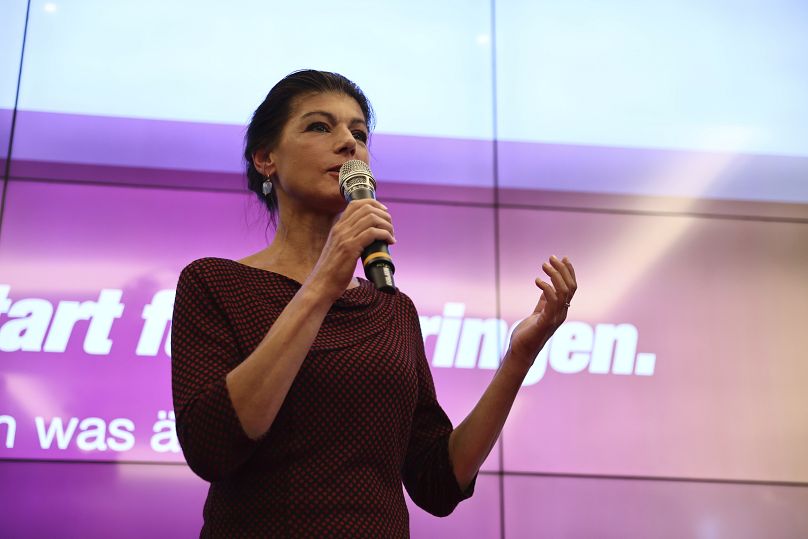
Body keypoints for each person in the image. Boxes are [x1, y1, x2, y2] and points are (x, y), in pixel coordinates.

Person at [171, 69, 577, 537]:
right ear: (266, 159)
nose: (349, 144)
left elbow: (437, 481)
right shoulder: (216, 283)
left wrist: (519, 357)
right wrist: (325, 280)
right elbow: (212, 446)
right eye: (320, 126)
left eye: (359, 133)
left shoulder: (391, 307)